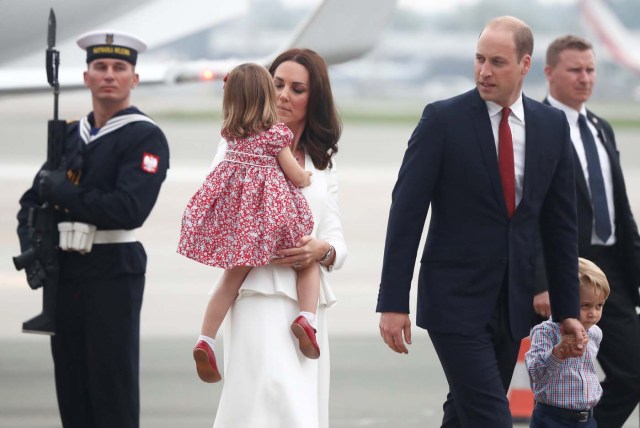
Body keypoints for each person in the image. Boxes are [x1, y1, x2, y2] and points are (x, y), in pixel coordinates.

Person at [376, 16, 586, 427]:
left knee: (464, 415)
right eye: (479, 59)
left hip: (512, 304)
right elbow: (406, 214)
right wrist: (392, 302)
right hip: (453, 300)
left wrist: (567, 308)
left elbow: (560, 226)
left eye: (497, 62)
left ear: (525, 65)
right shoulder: (442, 120)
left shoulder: (550, 126)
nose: (484, 71)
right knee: (492, 417)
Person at [16, 31, 169, 428]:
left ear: (134, 79)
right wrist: (34, 252)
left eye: (120, 68)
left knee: (110, 390)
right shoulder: (68, 136)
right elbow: (31, 203)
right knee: (72, 390)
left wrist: (69, 193)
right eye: (100, 67)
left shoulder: (144, 136)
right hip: (64, 274)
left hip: (112, 270)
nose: (109, 75)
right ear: (86, 77)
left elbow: (129, 209)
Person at [206, 49, 346, 428]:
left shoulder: (322, 163)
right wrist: (262, 234)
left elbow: (337, 240)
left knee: (301, 403)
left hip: (306, 306)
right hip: (256, 294)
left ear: (313, 99)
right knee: (270, 403)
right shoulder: (234, 147)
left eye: (296, 88)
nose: (283, 94)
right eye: (277, 84)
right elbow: (219, 212)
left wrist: (323, 250)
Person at [177, 63, 322, 384]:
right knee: (306, 262)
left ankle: (206, 339)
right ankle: (307, 318)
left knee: (229, 283)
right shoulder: (276, 136)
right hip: (274, 222)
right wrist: (307, 176)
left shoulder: (231, 135)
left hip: (241, 228)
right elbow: (295, 176)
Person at [532, 34, 640, 428]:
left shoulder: (601, 128)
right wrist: (542, 279)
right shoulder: (539, 125)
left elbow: (619, 206)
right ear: (549, 73)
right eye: (575, 69)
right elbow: (533, 212)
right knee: (557, 379)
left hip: (610, 274)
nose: (585, 78)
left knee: (632, 373)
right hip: (567, 271)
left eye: (590, 69)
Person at [526, 257, 610, 427]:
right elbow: (536, 374)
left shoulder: (595, 333)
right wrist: (557, 353)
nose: (593, 313)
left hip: (587, 419)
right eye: (585, 306)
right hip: (552, 418)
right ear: (563, 300)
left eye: (599, 305)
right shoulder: (545, 331)